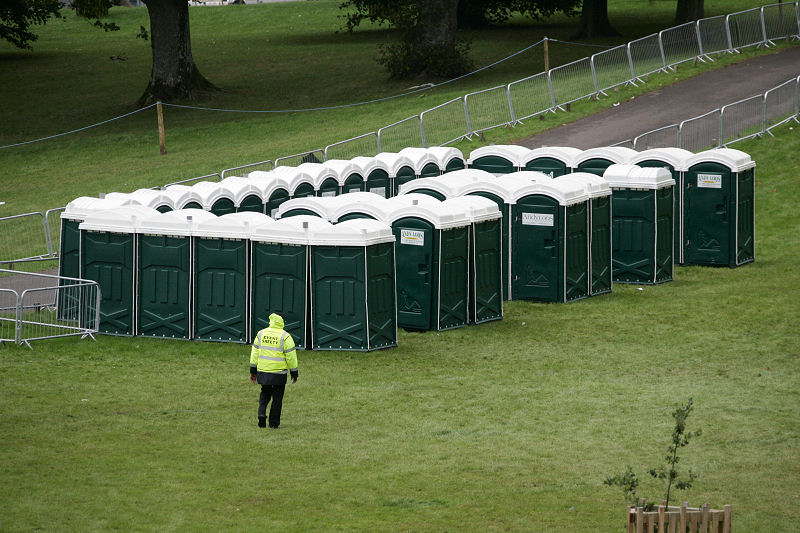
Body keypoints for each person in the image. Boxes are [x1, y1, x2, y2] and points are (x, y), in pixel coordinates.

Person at [249, 313, 298, 428]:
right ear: (282, 322)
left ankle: (261, 414)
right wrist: (294, 373)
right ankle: (274, 423)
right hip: (279, 373)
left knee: (264, 394)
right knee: (277, 398)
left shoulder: (261, 334)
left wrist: (253, 371)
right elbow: (291, 356)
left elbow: (254, 353)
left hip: (263, 371)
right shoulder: (285, 336)